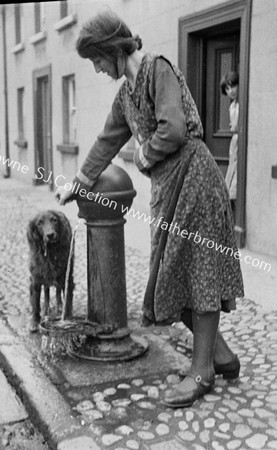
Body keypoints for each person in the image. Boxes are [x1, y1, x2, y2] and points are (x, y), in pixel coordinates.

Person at [56, 10, 244, 408]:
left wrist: (142, 156)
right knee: (172, 277)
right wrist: (79, 182)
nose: (97, 69)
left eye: (97, 60)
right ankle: (222, 356)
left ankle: (203, 370)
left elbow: (173, 130)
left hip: (195, 179)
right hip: (169, 189)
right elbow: (106, 142)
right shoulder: (125, 96)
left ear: (111, 49)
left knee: (199, 272)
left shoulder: (157, 68)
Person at [220, 71, 239, 218]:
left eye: (233, 86)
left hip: (240, 142)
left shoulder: (241, 105)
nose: (230, 91)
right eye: (227, 88)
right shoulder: (232, 106)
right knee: (231, 171)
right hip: (234, 142)